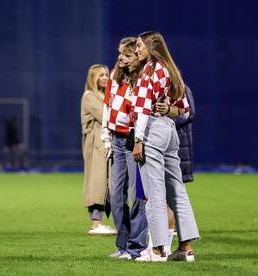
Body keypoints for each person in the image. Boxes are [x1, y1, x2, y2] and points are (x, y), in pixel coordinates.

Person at [132, 31, 200, 262]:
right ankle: (186, 248)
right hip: (170, 131)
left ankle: (158, 250)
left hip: (151, 130)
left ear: (151, 47)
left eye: (139, 46)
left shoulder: (149, 70)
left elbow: (141, 109)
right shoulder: (171, 69)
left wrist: (138, 140)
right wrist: (167, 110)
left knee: (155, 193)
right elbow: (184, 110)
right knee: (177, 191)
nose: (136, 50)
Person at [101, 37, 148, 259]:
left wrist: (139, 140)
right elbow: (107, 106)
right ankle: (123, 245)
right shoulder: (114, 75)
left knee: (136, 195)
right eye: (120, 53)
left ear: (137, 57)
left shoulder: (143, 79)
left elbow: (142, 114)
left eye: (127, 55)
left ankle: (137, 247)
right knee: (117, 196)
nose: (121, 58)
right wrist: (105, 138)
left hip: (133, 142)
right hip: (116, 142)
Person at [81, 64, 117, 236]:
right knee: (97, 182)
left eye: (107, 74)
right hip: (96, 143)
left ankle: (100, 222)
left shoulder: (105, 95)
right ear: (93, 78)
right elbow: (106, 117)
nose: (105, 77)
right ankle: (96, 223)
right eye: (101, 75)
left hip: (105, 142)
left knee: (106, 181)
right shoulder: (89, 96)